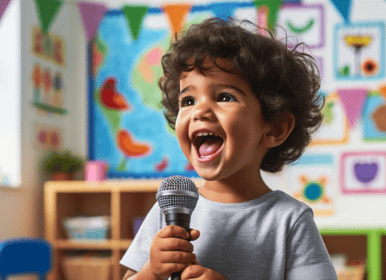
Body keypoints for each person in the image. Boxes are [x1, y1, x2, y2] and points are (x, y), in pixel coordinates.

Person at [120, 17, 338, 280]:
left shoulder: (289, 220)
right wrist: (151, 272)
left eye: (224, 97)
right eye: (188, 100)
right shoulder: (168, 208)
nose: (199, 110)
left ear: (275, 128)